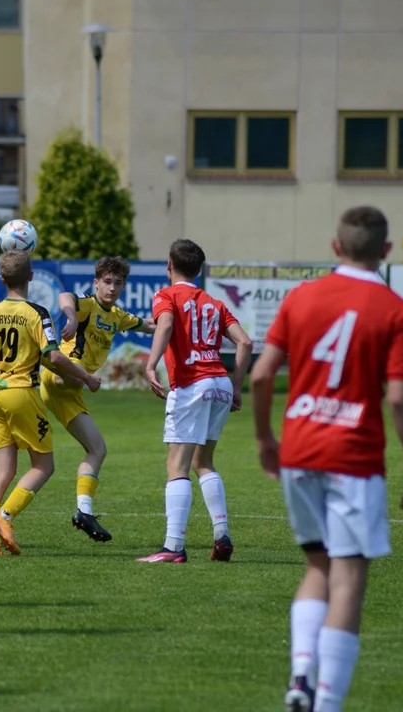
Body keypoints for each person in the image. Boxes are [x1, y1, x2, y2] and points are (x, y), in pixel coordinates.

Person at [250, 206, 403, 712]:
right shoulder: (394, 309)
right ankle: (325, 703)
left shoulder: (302, 297)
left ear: (335, 247)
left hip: (300, 452)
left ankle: (301, 673)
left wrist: (265, 440)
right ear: (386, 253)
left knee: (317, 568)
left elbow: (262, 376)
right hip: (354, 458)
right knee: (348, 576)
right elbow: (397, 397)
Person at [0, 250, 102, 556]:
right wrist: (87, 378)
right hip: (21, 392)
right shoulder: (36, 313)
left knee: (3, 470)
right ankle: (3, 516)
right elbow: (52, 357)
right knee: (44, 465)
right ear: (31, 277)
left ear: (1, 279)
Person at [139, 239, 252, 563]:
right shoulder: (214, 302)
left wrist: (150, 364)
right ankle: (222, 536)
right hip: (219, 384)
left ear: (168, 266)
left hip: (192, 384)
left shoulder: (166, 296)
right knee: (204, 462)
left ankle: (173, 547)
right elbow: (244, 342)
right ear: (200, 270)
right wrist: (238, 386)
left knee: (176, 465)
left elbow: (167, 324)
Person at [43, 257, 155, 543]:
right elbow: (65, 296)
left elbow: (150, 326)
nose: (112, 287)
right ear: (96, 283)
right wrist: (70, 317)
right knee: (67, 374)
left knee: (98, 449)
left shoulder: (118, 316)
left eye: (118, 283)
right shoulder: (87, 304)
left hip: (71, 392)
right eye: (107, 282)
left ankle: (84, 511)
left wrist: (175, 321)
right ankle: (58, 369)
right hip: (64, 374)